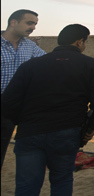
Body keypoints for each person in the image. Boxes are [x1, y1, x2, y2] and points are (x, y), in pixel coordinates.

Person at [2, 23, 94, 195]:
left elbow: (7, 102)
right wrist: (89, 130)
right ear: (80, 42)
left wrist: (23, 122)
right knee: (61, 180)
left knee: (26, 185)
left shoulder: (31, 65)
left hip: (30, 133)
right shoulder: (90, 65)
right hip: (66, 133)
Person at [1, 9, 46, 169]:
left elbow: (47, 63)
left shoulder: (30, 46)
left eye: (34, 24)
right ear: (13, 22)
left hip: (12, 108)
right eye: (29, 23)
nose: (33, 27)